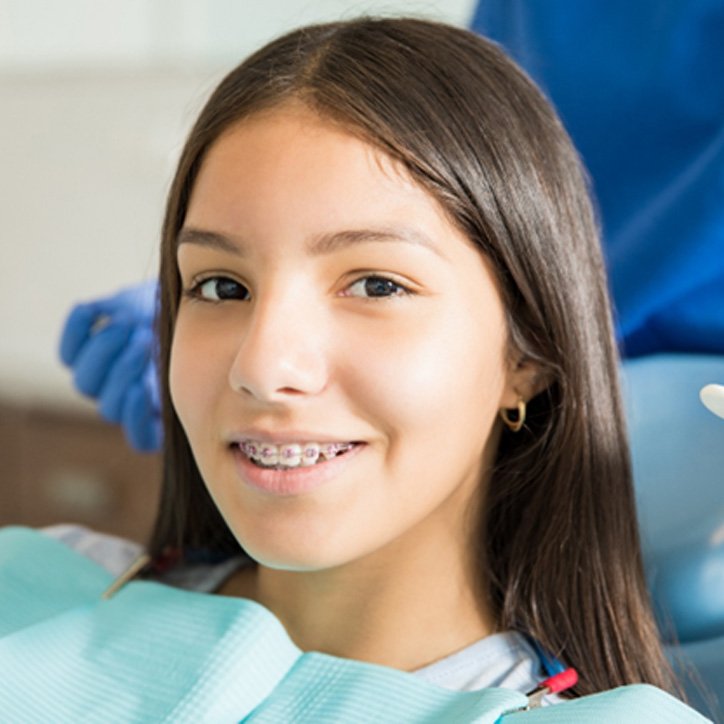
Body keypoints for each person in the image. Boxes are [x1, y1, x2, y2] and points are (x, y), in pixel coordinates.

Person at [16, 16, 709, 718]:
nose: (262, 365)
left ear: (527, 356)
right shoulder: (32, 586)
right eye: (221, 286)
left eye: (377, 284)